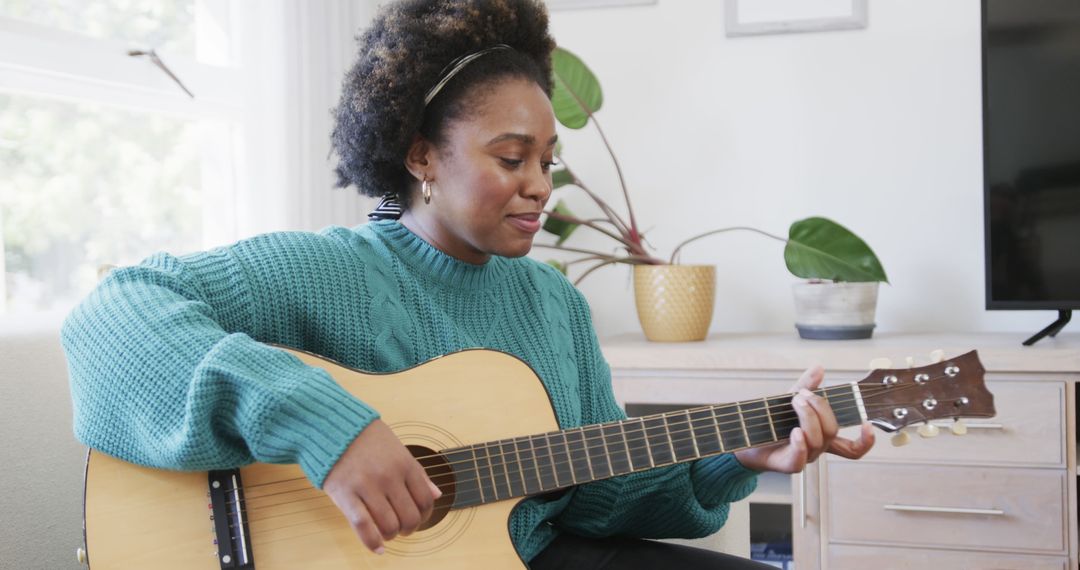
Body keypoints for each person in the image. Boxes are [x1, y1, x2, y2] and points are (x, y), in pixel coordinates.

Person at [61, 0, 874, 568]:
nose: (538, 186)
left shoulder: (554, 305)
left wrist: (733, 455)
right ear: (421, 156)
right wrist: (322, 424)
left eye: (547, 161)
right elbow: (112, 315)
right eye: (510, 157)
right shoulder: (332, 271)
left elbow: (593, 499)